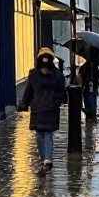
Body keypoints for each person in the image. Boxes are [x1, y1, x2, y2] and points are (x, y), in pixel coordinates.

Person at [19, 47, 67, 176]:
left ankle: (46, 160)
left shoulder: (52, 74)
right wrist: (25, 104)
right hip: (42, 108)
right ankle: (45, 160)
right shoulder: (40, 74)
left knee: (44, 134)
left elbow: (61, 91)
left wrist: (25, 104)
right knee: (43, 134)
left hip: (44, 108)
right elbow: (30, 90)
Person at [80, 51, 99, 121]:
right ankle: (90, 115)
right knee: (90, 100)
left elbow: (96, 77)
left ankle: (91, 115)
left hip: (90, 86)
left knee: (90, 100)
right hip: (88, 86)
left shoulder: (92, 66)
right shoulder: (87, 65)